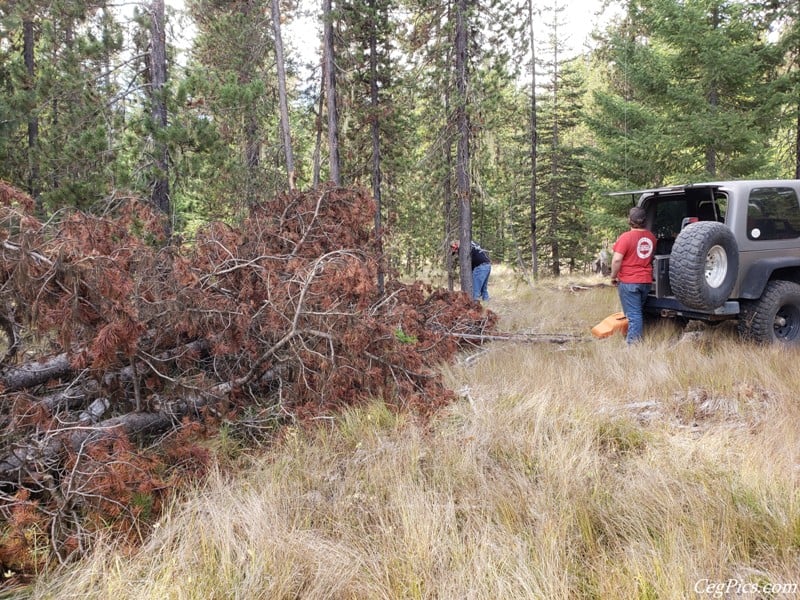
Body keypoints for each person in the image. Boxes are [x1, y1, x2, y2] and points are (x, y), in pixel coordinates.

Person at [609, 206, 656, 344]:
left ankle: (633, 345)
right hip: (646, 281)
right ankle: (633, 336)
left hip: (629, 281)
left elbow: (617, 259)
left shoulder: (625, 237)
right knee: (637, 311)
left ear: (629, 220)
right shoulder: (651, 237)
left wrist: (613, 276)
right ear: (644, 221)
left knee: (633, 314)